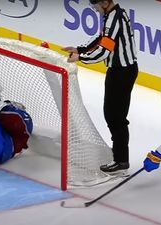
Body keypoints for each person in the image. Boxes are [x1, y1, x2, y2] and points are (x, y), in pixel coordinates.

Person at [63, 0, 138, 174]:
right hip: (118, 71)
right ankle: (119, 156)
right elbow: (101, 39)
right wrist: (80, 49)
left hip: (122, 72)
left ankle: (121, 160)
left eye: (95, 6)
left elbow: (104, 51)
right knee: (112, 115)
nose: (95, 10)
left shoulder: (115, 18)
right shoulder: (113, 15)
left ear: (104, 3)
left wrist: (80, 57)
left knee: (116, 117)